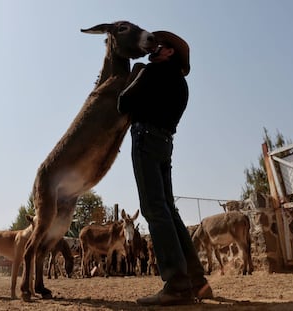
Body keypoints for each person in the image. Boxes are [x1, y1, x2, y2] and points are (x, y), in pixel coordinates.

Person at [117, 31, 213, 306]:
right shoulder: (182, 86)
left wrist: (136, 77)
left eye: (160, 46)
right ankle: (197, 280)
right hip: (165, 145)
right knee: (169, 210)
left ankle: (177, 284)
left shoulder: (150, 72)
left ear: (169, 52)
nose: (154, 48)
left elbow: (123, 103)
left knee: (153, 209)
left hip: (145, 140)